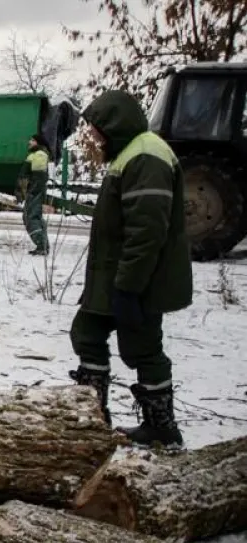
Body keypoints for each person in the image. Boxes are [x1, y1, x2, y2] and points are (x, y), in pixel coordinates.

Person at [69, 89, 192, 447]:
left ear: (115, 126)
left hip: (138, 281)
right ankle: (91, 416)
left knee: (143, 347)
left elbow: (147, 232)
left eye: (96, 130)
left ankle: (162, 427)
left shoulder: (146, 156)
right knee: (87, 334)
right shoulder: (129, 154)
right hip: (115, 278)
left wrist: (129, 288)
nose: (93, 137)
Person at [18, 134, 51, 255]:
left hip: (34, 192)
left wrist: (30, 191)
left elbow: (38, 177)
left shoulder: (39, 155)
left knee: (30, 217)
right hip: (34, 191)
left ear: (38, 142)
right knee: (35, 217)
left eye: (32, 140)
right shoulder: (35, 154)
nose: (29, 142)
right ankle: (43, 245)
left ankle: (41, 245)